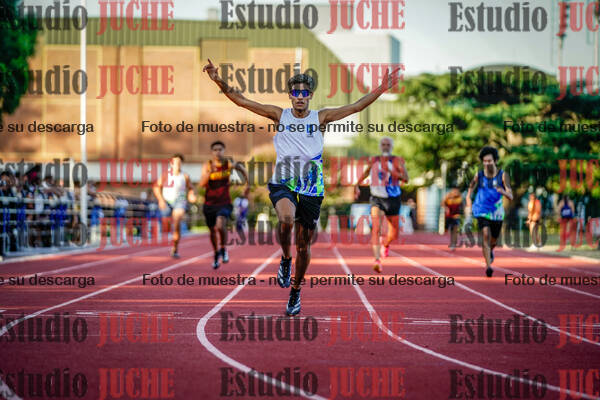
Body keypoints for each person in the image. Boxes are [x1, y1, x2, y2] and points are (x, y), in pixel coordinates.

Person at [203, 58, 401, 315]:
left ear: (310, 96)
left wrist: (381, 88)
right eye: (295, 93)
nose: (299, 97)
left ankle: (295, 291)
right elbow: (242, 100)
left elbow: (356, 106)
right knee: (286, 219)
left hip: (312, 186)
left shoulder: (322, 117)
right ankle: (285, 259)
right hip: (283, 181)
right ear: (290, 96)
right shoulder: (279, 114)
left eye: (304, 93)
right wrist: (218, 79)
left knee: (304, 245)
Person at [354, 137, 408, 273]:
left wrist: (391, 172)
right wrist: (357, 184)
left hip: (393, 198)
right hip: (377, 199)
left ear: (391, 146)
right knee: (376, 228)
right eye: (383, 144)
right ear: (380, 146)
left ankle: (386, 243)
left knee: (394, 234)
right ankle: (377, 260)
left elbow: (406, 178)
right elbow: (366, 172)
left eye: (388, 144)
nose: (385, 146)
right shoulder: (374, 160)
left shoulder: (397, 161)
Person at [199, 141, 250, 269]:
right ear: (212, 152)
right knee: (212, 231)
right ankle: (216, 252)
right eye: (215, 150)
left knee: (220, 225)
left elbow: (243, 169)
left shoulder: (228, 164)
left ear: (223, 150)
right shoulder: (207, 165)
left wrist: (247, 185)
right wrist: (209, 173)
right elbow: (202, 184)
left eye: (220, 149)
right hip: (209, 203)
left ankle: (223, 248)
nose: (218, 152)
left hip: (224, 202)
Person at [465, 146, 513, 277]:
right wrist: (468, 197)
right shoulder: (479, 175)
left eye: (489, 161)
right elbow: (471, 187)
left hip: (497, 212)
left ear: (495, 161)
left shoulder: (503, 175)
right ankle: (488, 266)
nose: (487, 164)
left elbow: (511, 195)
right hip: (481, 209)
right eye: (484, 161)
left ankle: (490, 251)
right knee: (485, 234)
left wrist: (503, 192)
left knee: (494, 240)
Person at [153, 154, 196, 258]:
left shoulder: (184, 176)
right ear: (171, 163)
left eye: (179, 162)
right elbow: (156, 187)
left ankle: (175, 247)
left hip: (180, 202)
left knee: (177, 223)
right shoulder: (165, 175)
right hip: (167, 202)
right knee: (166, 225)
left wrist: (191, 195)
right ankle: (170, 233)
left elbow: (191, 188)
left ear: (181, 164)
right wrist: (160, 200)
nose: (177, 164)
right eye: (175, 162)